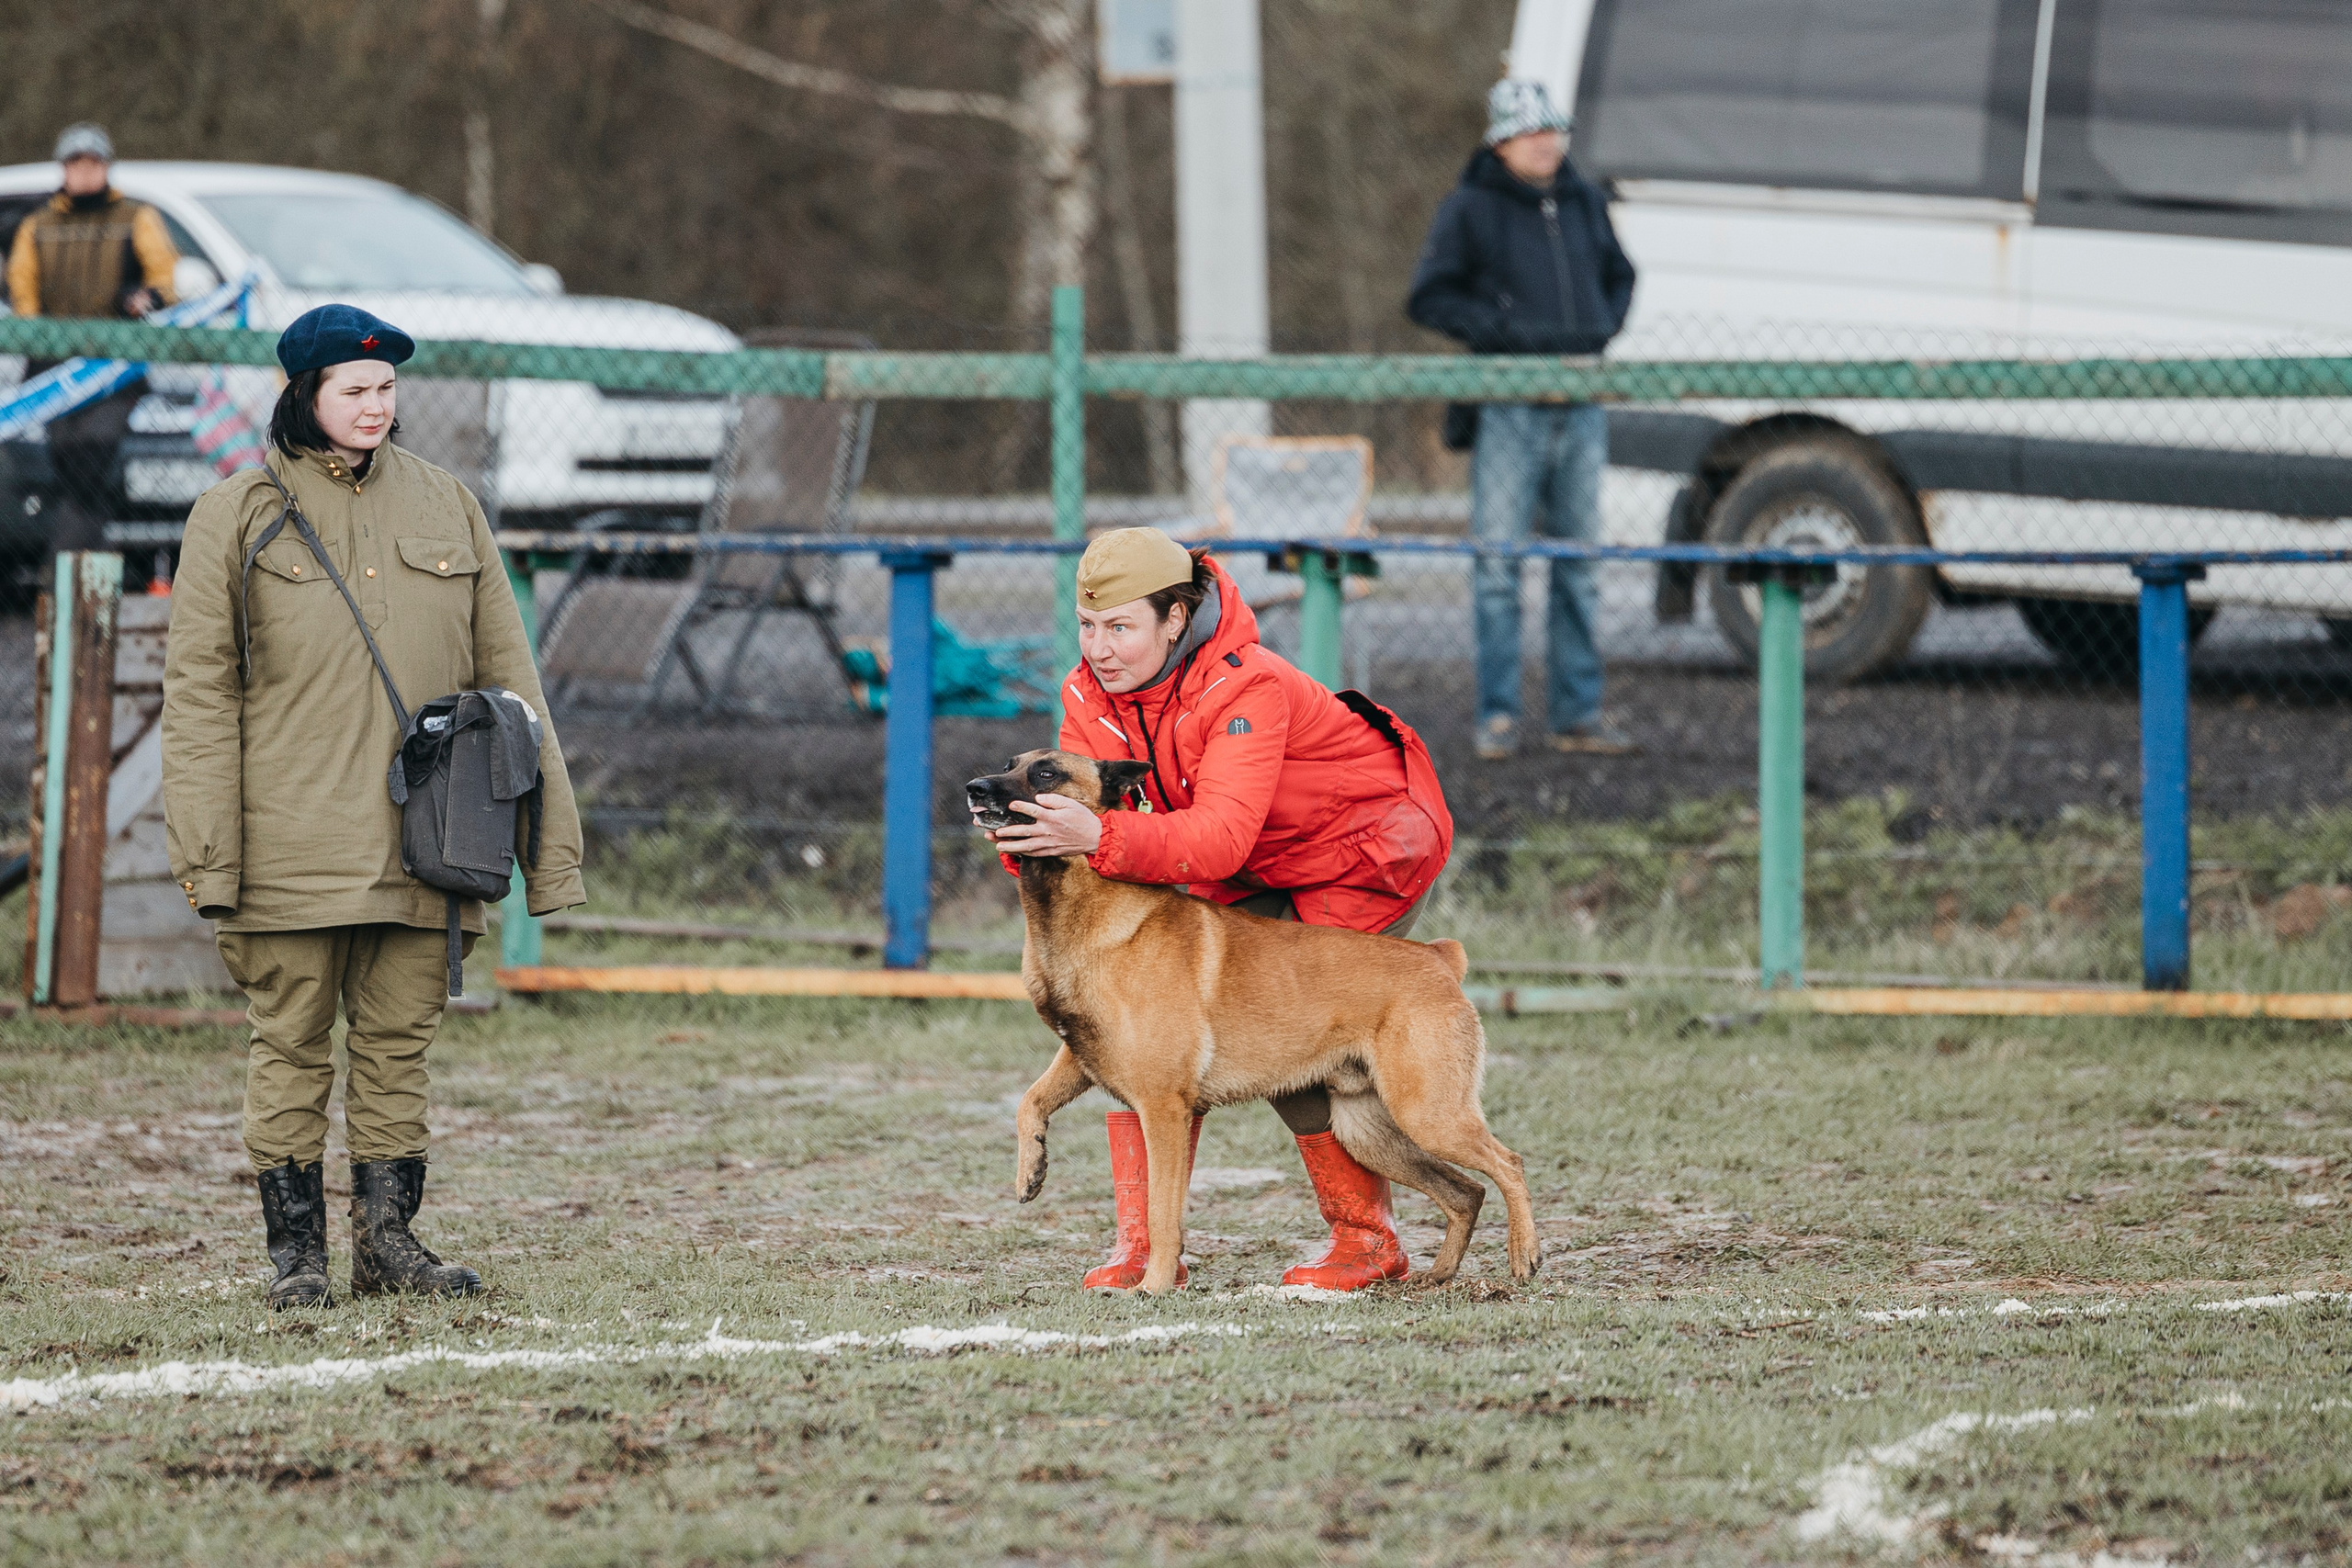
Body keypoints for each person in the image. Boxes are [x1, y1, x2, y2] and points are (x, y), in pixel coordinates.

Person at [162, 304, 586, 1310]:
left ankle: (390, 1244)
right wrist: (209, 852)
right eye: (353, 391)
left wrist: (549, 849)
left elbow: (513, 689)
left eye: (387, 390)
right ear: (305, 396)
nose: (375, 407)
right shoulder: (235, 514)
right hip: (288, 846)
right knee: (292, 1043)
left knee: (399, 1048)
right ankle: (296, 1257)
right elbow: (198, 694)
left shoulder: (449, 506)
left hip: (428, 844)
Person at [981, 527, 1454, 1292]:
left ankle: (1367, 1240)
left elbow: (1221, 838)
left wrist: (1098, 833)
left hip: (1363, 847)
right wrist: (1024, 839)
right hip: (1252, 858)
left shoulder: (1244, 684)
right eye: (1088, 625)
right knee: (1136, 1023)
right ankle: (1142, 1244)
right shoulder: (1085, 693)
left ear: (1175, 620)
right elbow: (1079, 835)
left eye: (1121, 627)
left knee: (1291, 1036)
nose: (1099, 647)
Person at [1407, 80, 1639, 761]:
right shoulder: (1470, 207)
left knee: (1580, 565)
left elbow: (1621, 276)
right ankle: (1499, 716)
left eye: (1553, 131)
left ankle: (1578, 713)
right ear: (1501, 140)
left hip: (1581, 403)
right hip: (1507, 407)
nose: (1546, 143)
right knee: (1499, 564)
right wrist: (1502, 334)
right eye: (1532, 132)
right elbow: (1430, 296)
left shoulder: (1584, 200)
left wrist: (1599, 329)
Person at [6, 123, 179, 555]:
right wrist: (40, 338)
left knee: (92, 455)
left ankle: (66, 562)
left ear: (106, 168)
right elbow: (23, 291)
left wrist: (145, 299)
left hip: (114, 368)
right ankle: (86, 558)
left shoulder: (136, 218)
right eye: (76, 165)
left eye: (92, 164)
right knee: (69, 463)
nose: (84, 174)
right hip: (54, 366)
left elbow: (165, 278)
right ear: (64, 170)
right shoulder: (37, 225)